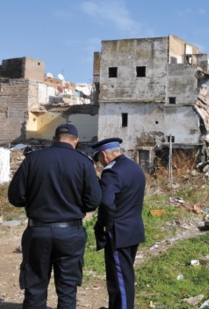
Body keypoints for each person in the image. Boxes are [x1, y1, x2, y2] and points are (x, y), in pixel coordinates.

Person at [8, 123, 101, 309]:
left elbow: (15, 197)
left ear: (53, 140)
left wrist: (35, 201)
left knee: (35, 287)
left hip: (37, 230)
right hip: (70, 233)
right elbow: (93, 201)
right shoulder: (83, 162)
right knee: (67, 289)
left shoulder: (32, 159)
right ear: (75, 141)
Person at [91, 137, 146, 309]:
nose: (99, 164)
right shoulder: (135, 168)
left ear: (104, 156)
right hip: (134, 229)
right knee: (125, 276)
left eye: (98, 160)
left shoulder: (111, 172)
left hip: (119, 233)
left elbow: (107, 203)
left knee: (119, 280)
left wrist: (104, 225)